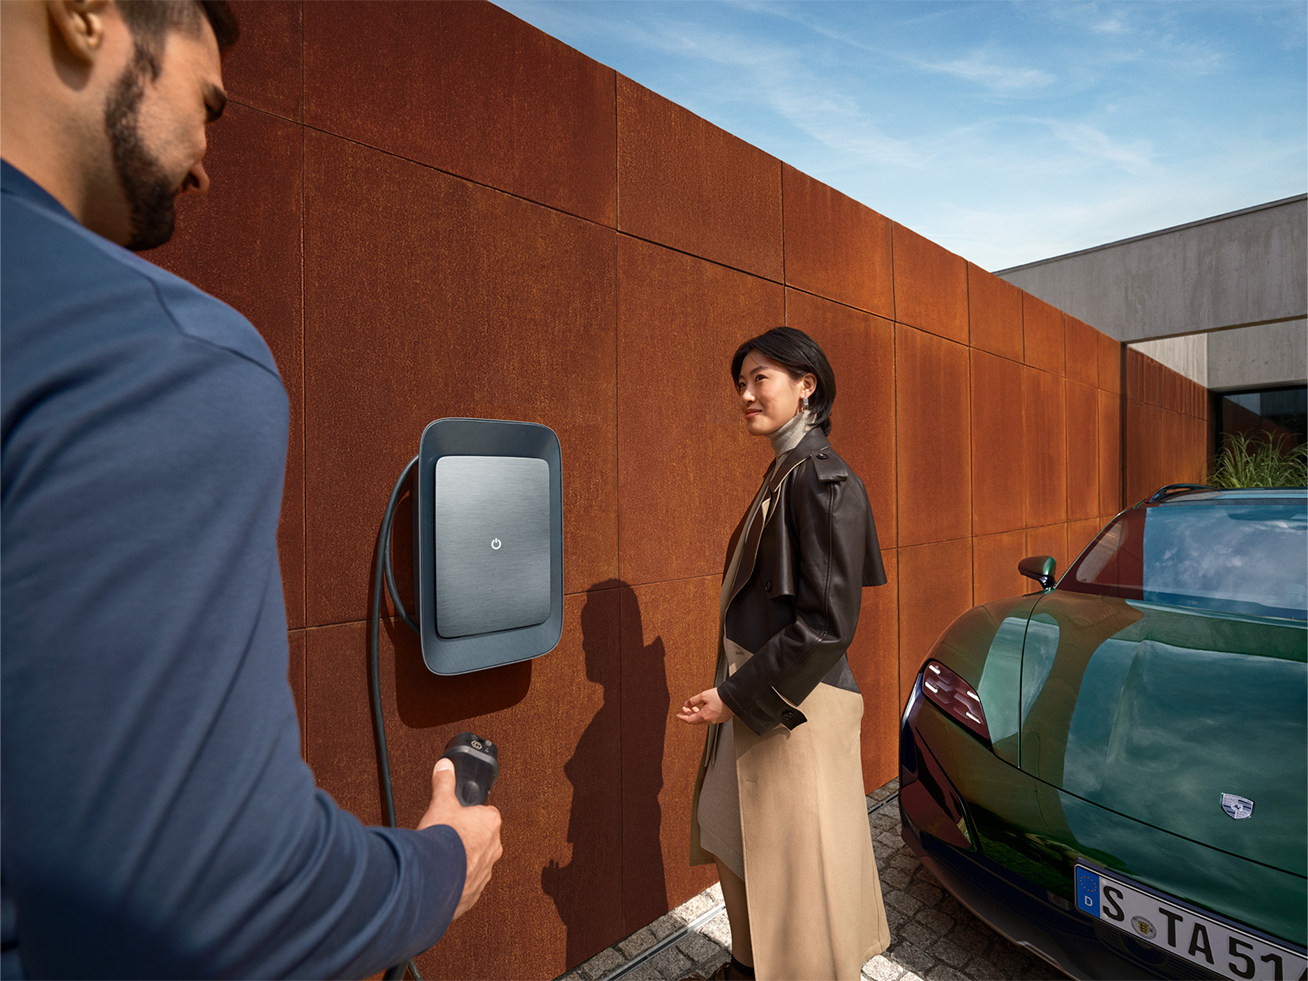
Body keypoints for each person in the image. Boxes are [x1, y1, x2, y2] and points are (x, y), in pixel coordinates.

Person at [0, 2, 501, 977]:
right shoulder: (149, 359)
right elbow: (219, 898)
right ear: (84, 15)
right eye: (210, 106)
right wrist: (439, 866)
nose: (201, 164)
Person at [677, 327, 891, 981]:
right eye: (741, 381)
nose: (745, 393)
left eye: (759, 377)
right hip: (770, 693)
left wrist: (735, 695)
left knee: (797, 882)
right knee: (739, 843)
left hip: (793, 704)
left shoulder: (823, 480)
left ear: (807, 385)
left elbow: (827, 625)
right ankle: (746, 964)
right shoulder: (788, 469)